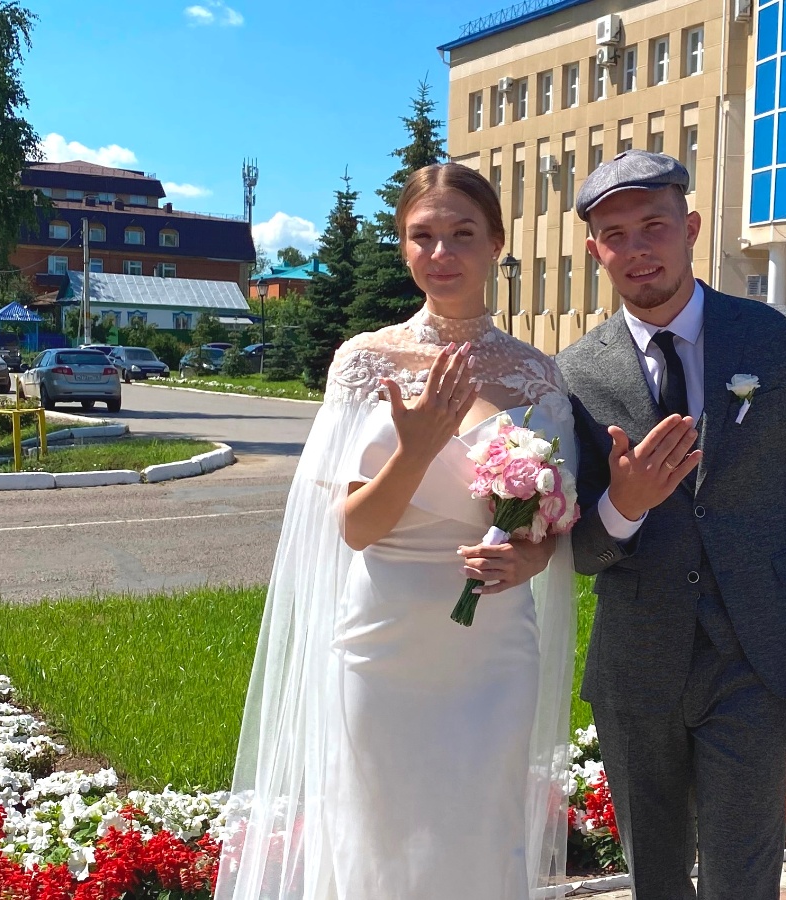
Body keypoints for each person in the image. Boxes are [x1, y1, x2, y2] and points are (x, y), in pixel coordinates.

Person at [214, 163, 578, 900]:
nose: (441, 253)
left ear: (497, 243)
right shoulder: (365, 360)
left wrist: (527, 559)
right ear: (403, 246)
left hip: (493, 648)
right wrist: (414, 453)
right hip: (383, 642)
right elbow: (353, 529)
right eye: (422, 236)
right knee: (375, 834)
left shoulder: (536, 376)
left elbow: (552, 522)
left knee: (484, 831)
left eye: (462, 234)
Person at [557, 150, 786, 900]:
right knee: (656, 883)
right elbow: (579, 551)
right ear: (595, 251)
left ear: (692, 227)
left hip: (756, 657)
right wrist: (625, 505)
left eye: (654, 226)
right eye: (615, 235)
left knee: (742, 881)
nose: (638, 249)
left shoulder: (775, 337)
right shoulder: (573, 375)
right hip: (637, 667)